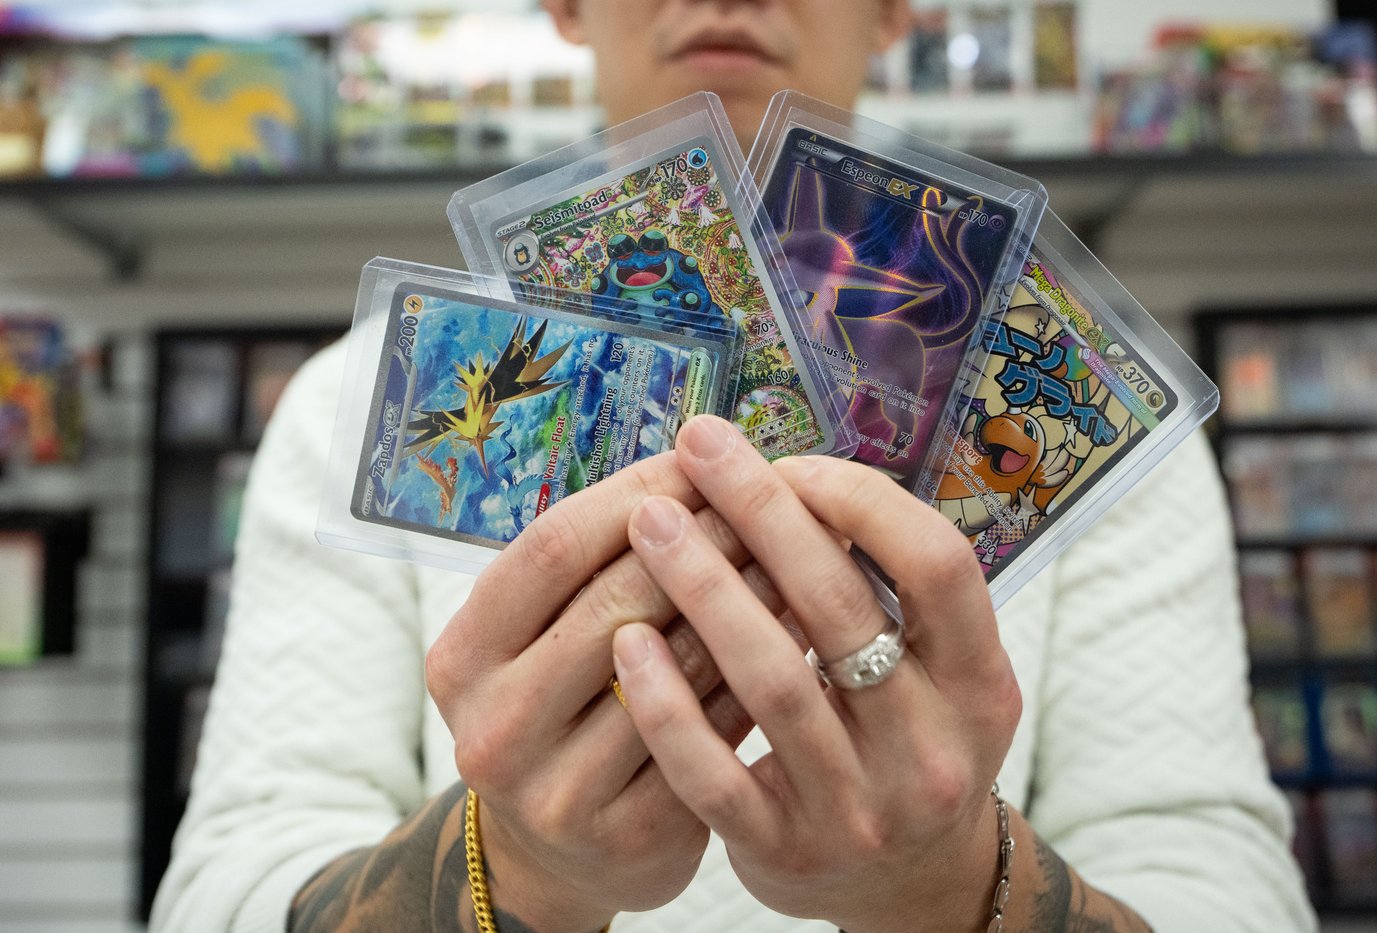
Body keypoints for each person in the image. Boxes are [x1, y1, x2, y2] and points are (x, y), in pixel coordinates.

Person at [151, 2, 1316, 931]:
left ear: (896, 10)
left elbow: (1220, 886)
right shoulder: (361, 402)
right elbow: (227, 885)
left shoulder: (1105, 440)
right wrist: (513, 870)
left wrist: (948, 888)